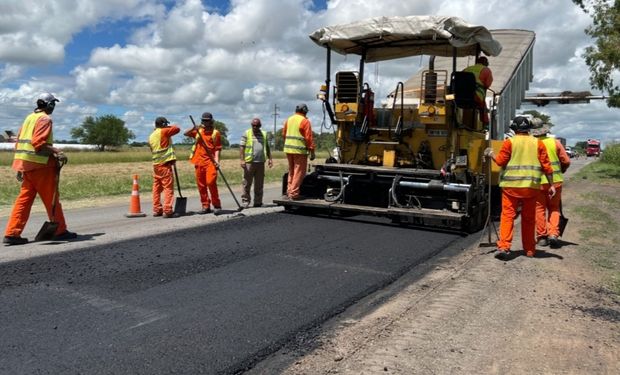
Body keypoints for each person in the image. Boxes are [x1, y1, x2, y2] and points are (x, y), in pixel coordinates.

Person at [3, 93, 77, 245]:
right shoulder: (45, 119)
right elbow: (38, 143)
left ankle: (12, 234)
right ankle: (59, 231)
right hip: (41, 167)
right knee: (52, 200)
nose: (54, 108)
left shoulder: (29, 118)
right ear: (49, 105)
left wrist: (21, 166)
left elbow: (20, 143)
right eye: (53, 104)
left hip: (27, 167)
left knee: (23, 200)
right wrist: (58, 152)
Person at [484, 116, 556, 259]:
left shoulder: (509, 142)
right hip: (531, 188)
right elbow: (547, 167)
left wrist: (491, 153)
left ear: (515, 129)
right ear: (528, 129)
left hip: (511, 187)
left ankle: (504, 247)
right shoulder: (538, 143)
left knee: (507, 217)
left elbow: (500, 161)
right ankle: (530, 250)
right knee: (529, 219)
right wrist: (552, 185)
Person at [532, 124, 571, 248]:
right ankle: (553, 234)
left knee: (539, 209)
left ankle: (542, 237)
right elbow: (566, 161)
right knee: (554, 208)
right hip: (555, 181)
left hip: (537, 183)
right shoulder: (555, 143)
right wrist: (562, 169)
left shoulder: (531, 144)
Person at [184, 112, 222, 214]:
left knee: (211, 183)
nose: (204, 122)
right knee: (201, 185)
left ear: (211, 121)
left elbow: (218, 149)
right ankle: (205, 206)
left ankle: (217, 205)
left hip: (210, 162)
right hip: (199, 161)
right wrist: (193, 128)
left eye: (206, 120)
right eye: (203, 120)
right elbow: (185, 133)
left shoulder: (215, 133)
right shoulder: (198, 131)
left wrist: (217, 161)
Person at [149, 116, 180, 218]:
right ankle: (167, 210)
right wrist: (166, 127)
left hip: (156, 165)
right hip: (164, 165)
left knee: (156, 188)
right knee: (168, 188)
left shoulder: (152, 135)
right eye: (165, 124)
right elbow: (177, 129)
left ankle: (157, 209)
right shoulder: (163, 132)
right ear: (163, 125)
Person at [282, 103, 315, 200]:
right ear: (304, 111)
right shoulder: (305, 121)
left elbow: (284, 134)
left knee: (292, 171)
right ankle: (294, 193)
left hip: (288, 150)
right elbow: (308, 138)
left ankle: (289, 191)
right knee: (299, 172)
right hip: (299, 151)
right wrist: (312, 151)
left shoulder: (289, 119)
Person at [239, 118, 273, 208]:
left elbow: (267, 147)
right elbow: (242, 147)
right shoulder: (246, 133)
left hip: (260, 162)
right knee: (246, 183)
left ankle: (258, 202)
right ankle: (245, 201)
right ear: (251, 125)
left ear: (260, 126)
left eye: (257, 125)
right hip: (249, 162)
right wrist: (242, 160)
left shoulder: (264, 134)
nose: (255, 127)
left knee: (259, 184)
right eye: (253, 125)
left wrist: (270, 158)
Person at [463, 55, 493, 124]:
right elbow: (487, 85)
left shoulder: (467, 69)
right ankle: (485, 123)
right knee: (483, 105)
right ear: (486, 63)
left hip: (461, 95)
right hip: (476, 96)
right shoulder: (486, 70)